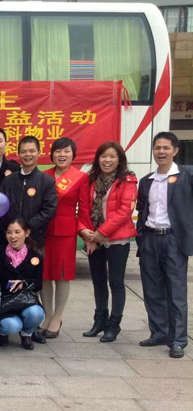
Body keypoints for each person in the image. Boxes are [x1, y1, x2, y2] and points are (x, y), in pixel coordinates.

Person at [136, 132, 191, 358]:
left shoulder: (186, 175)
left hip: (173, 240)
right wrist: (141, 237)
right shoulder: (146, 180)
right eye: (157, 148)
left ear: (175, 151)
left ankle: (178, 340)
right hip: (150, 239)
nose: (161, 152)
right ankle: (159, 332)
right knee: (152, 290)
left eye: (166, 148)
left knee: (176, 292)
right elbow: (142, 210)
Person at [78, 142, 137, 343]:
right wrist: (86, 235)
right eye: (103, 156)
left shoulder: (128, 180)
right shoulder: (90, 179)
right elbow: (83, 208)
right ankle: (100, 320)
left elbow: (124, 211)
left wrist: (101, 233)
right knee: (98, 281)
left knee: (116, 283)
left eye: (112, 156)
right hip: (94, 240)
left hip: (117, 240)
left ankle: (114, 324)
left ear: (119, 160)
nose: (107, 160)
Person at [39, 138, 88, 340]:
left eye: (66, 151)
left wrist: (85, 232)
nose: (62, 155)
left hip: (65, 232)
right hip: (43, 230)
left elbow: (84, 208)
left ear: (73, 154)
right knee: (44, 274)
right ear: (52, 154)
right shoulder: (44, 176)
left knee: (61, 275)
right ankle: (48, 315)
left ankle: (58, 317)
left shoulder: (80, 177)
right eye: (58, 151)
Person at [0, 219, 45, 350]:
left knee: (37, 313)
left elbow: (38, 284)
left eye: (17, 232)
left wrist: (24, 284)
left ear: (27, 233)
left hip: (25, 300)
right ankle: (1, 332)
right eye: (9, 232)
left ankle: (27, 334)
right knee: (12, 325)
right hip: (4, 302)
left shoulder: (35, 257)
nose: (12, 236)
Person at [0, 136, 57, 251]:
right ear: (19, 154)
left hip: (35, 240)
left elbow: (49, 211)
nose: (28, 154)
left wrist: (26, 226)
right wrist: (10, 229)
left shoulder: (47, 181)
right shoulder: (8, 181)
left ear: (39, 153)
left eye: (32, 151)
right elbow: (0, 208)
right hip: (9, 239)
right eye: (24, 151)